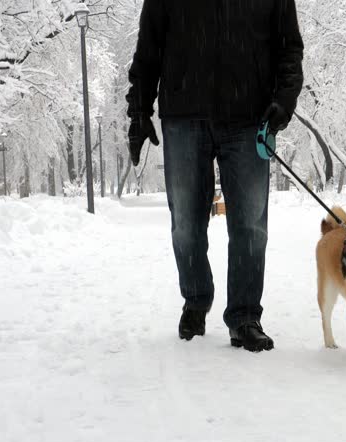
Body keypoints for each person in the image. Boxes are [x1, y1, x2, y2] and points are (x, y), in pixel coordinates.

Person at [126, 0, 304, 352]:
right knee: (186, 223)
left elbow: (289, 46)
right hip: (183, 115)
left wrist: (284, 102)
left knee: (251, 224)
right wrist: (138, 112)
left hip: (250, 115)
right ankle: (195, 300)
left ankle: (245, 317)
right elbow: (148, 47)